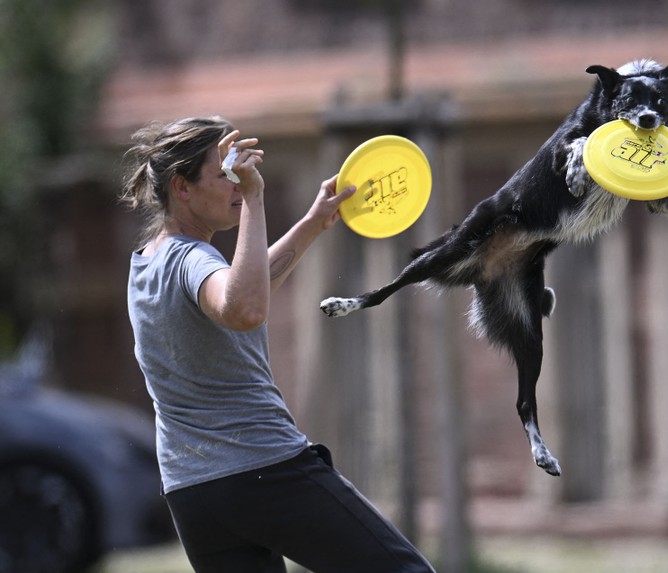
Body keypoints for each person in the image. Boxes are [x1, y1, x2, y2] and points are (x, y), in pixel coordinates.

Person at [122, 116, 435, 573]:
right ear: (182, 187)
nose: (236, 184)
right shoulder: (194, 258)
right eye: (226, 174)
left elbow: (236, 291)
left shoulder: (146, 264)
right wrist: (254, 196)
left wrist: (312, 223)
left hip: (193, 494)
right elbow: (244, 309)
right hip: (264, 473)